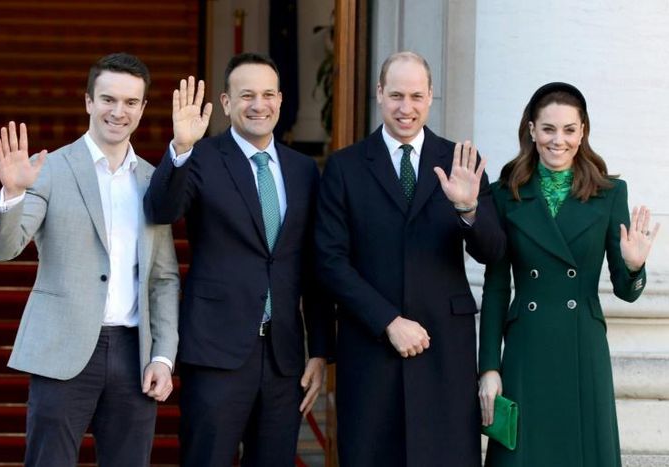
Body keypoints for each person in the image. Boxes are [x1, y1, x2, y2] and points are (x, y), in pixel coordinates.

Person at [0, 53, 180, 466]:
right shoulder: (49, 169)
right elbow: (3, 249)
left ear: (143, 109)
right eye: (108, 99)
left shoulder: (152, 179)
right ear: (88, 101)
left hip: (134, 353)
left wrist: (163, 355)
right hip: (63, 352)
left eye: (130, 103)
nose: (118, 111)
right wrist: (13, 194)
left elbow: (163, 279)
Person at [314, 50, 506, 467]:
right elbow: (329, 262)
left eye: (417, 96)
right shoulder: (345, 167)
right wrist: (388, 321)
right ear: (379, 94)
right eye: (397, 95)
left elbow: (493, 252)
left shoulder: (462, 162)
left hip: (445, 352)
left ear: (431, 96)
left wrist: (468, 209)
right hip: (370, 348)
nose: (406, 108)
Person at [143, 52, 334, 467]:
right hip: (216, 352)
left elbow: (313, 269)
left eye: (267, 94)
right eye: (246, 94)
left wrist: (318, 350)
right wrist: (180, 147)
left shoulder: (303, 170)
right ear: (227, 104)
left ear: (281, 101)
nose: (258, 104)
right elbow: (161, 210)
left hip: (284, 358)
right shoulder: (202, 157)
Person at [478, 82, 660, 467]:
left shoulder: (610, 194)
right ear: (531, 130)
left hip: (583, 345)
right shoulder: (504, 193)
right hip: (526, 349)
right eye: (548, 129)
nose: (557, 140)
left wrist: (633, 265)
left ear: (583, 132)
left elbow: (627, 292)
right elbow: (496, 287)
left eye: (568, 130)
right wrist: (489, 368)